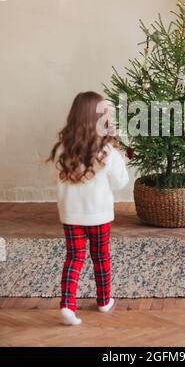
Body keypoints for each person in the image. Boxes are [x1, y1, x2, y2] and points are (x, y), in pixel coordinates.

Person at [47, 91, 128, 325]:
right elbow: (121, 182)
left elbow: (55, 178)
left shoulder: (62, 149)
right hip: (99, 215)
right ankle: (104, 301)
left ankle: (67, 305)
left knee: (74, 258)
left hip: (71, 215)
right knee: (101, 257)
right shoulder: (107, 152)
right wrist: (118, 161)